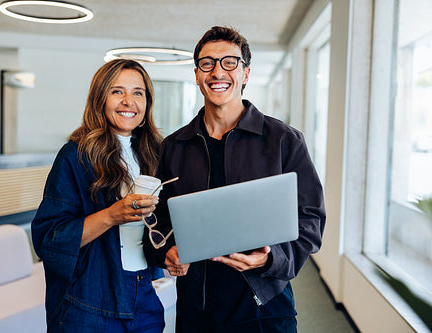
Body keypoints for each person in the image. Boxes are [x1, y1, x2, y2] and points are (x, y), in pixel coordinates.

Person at [143, 26, 326, 332]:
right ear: (197, 73)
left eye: (229, 62)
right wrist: (166, 253)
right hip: (196, 308)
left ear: (246, 73)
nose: (218, 72)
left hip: (265, 305)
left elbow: (310, 221)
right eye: (207, 63)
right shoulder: (174, 147)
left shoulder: (283, 140)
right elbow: (156, 218)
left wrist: (270, 261)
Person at [32, 59, 166, 333]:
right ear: (100, 99)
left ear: (147, 102)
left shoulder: (156, 153)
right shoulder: (76, 155)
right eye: (117, 91)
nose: (129, 101)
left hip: (144, 293)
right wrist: (111, 216)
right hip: (89, 297)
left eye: (137, 93)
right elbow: (48, 239)